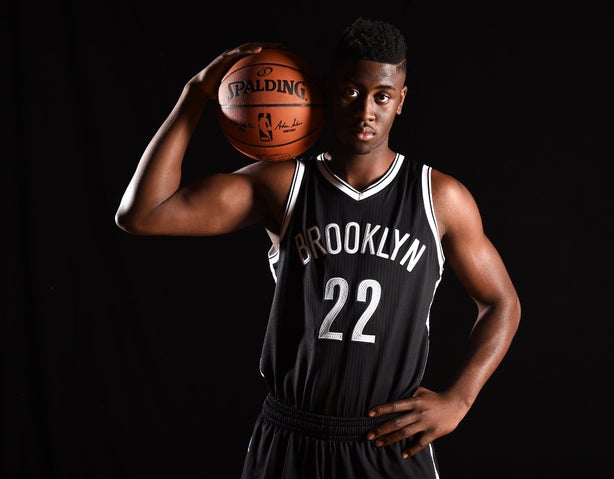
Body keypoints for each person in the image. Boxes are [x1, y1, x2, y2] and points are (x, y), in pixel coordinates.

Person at [116, 17, 521, 479]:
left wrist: (459, 399)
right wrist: (195, 95)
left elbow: (501, 301)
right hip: (290, 436)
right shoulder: (283, 183)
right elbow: (142, 214)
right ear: (328, 90)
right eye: (351, 91)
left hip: (384, 441)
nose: (366, 110)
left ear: (401, 101)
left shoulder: (439, 197)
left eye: (382, 96)